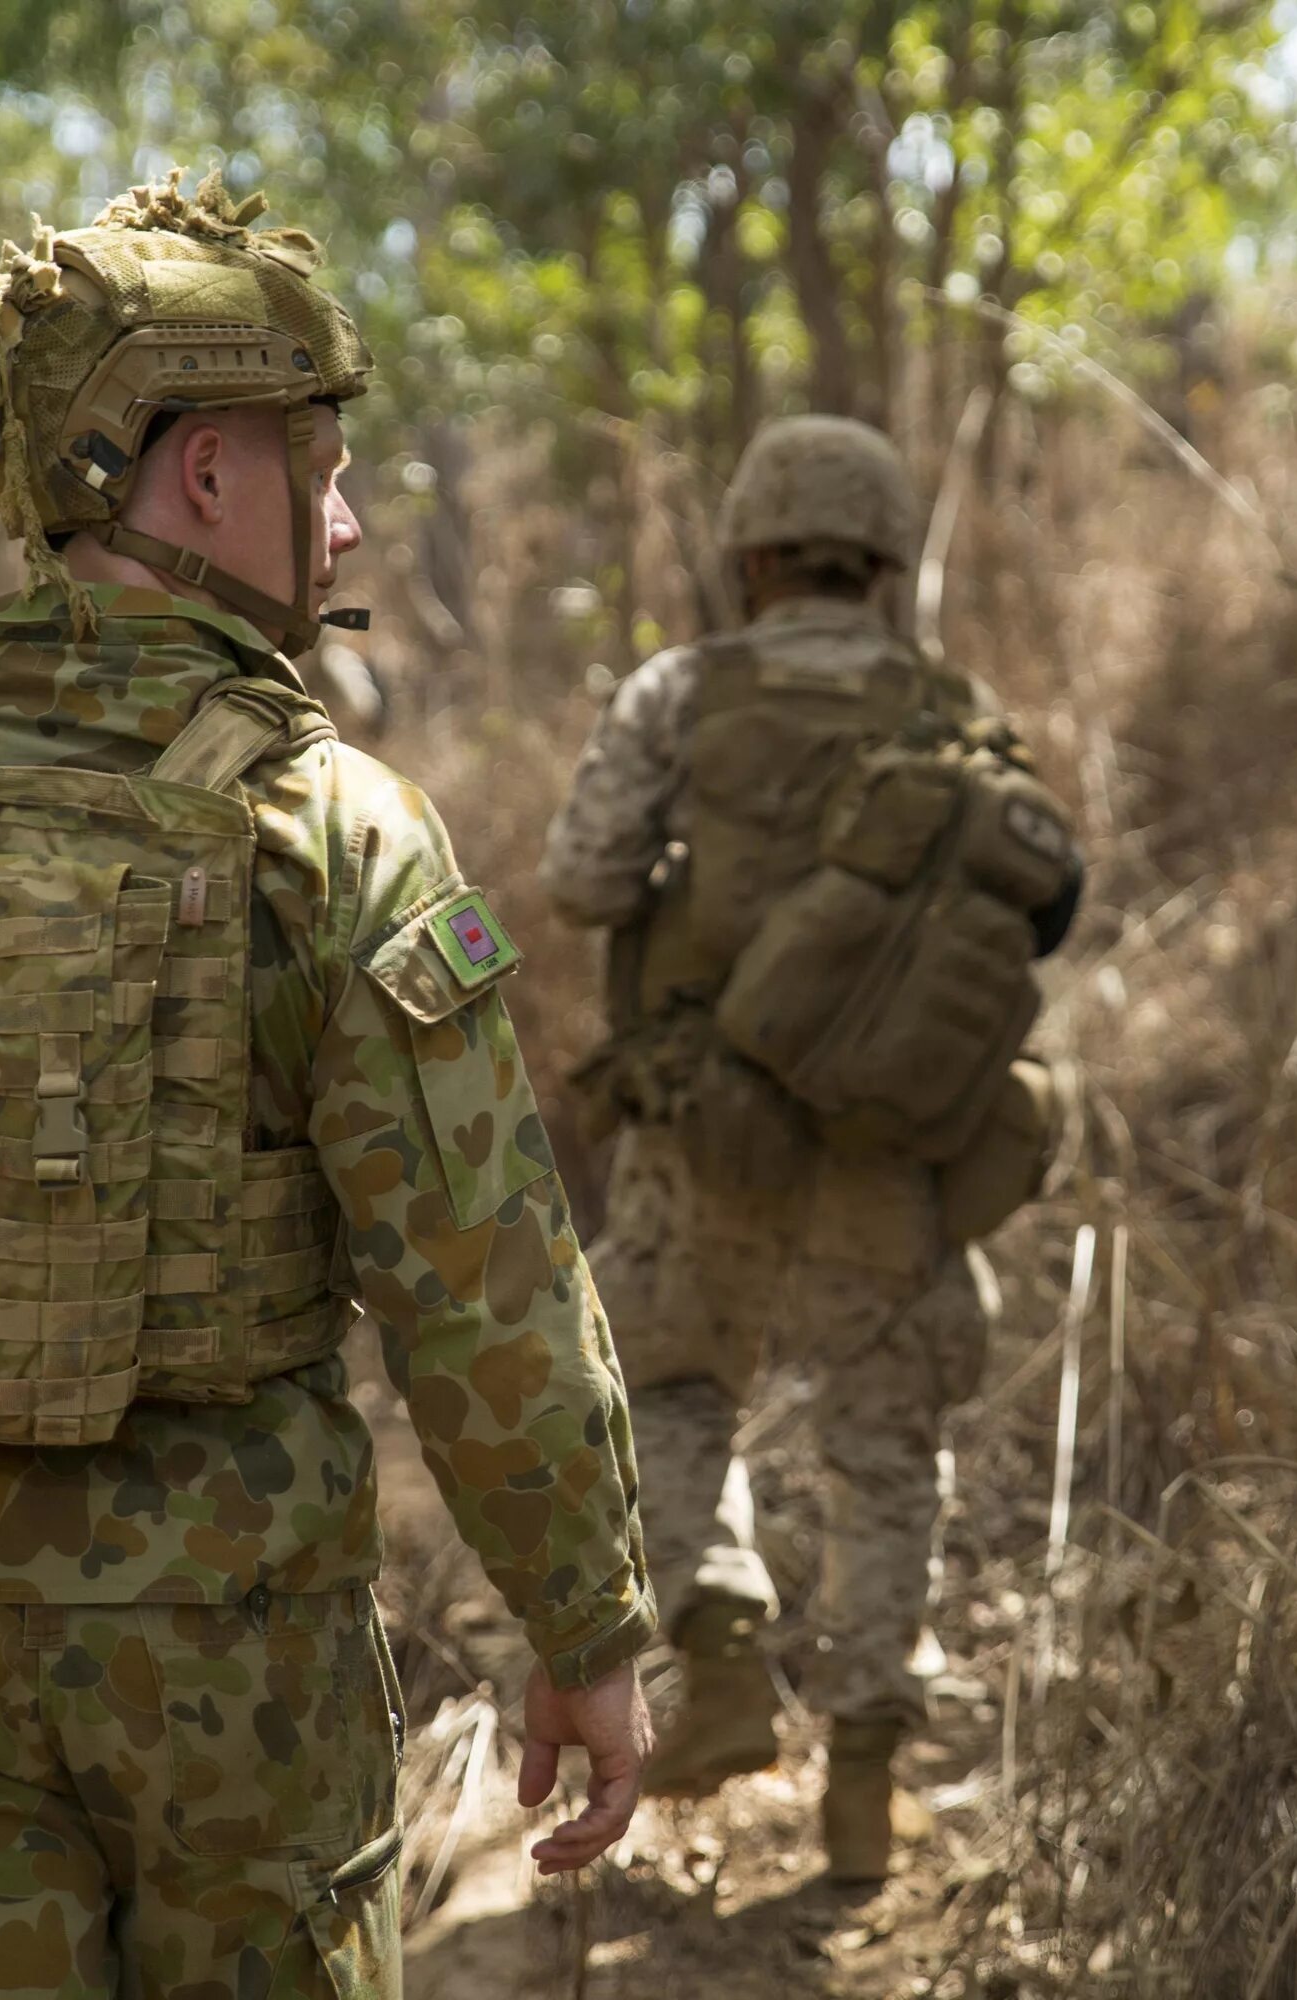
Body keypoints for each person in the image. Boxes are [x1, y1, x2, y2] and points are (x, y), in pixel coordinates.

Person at [0, 171, 653, 1998]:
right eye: (318, 464)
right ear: (203, 477)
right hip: (232, 1667)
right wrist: (584, 1624)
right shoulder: (334, 829)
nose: (353, 513)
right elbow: (477, 1282)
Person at [538, 414, 1077, 1885]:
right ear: (886, 560)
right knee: (885, 1449)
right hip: (887, 1151)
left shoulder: (678, 692)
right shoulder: (952, 704)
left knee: (667, 1395)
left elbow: (582, 879)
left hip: (703, 1130)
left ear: (755, 550)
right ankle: (863, 1781)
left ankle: (718, 1661)